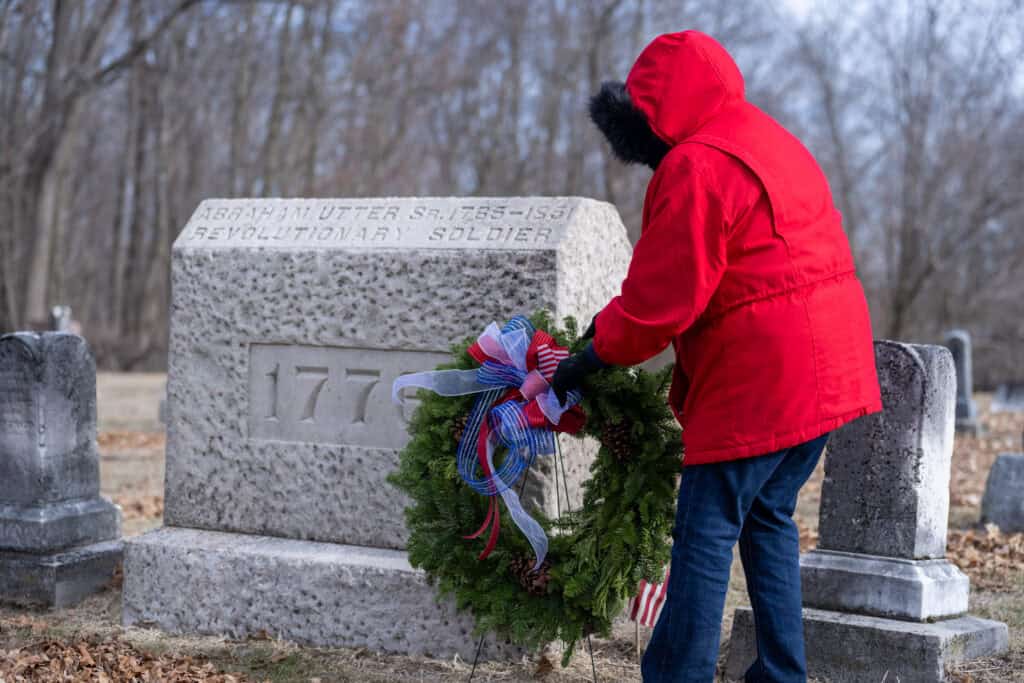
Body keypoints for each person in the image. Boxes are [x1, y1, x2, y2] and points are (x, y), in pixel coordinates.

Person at [551, 30, 882, 683]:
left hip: (763, 382)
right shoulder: (771, 139)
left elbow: (660, 300)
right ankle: (784, 674)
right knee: (768, 518)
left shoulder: (695, 165)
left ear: (652, 113)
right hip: (833, 372)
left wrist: (591, 354)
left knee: (704, 532)